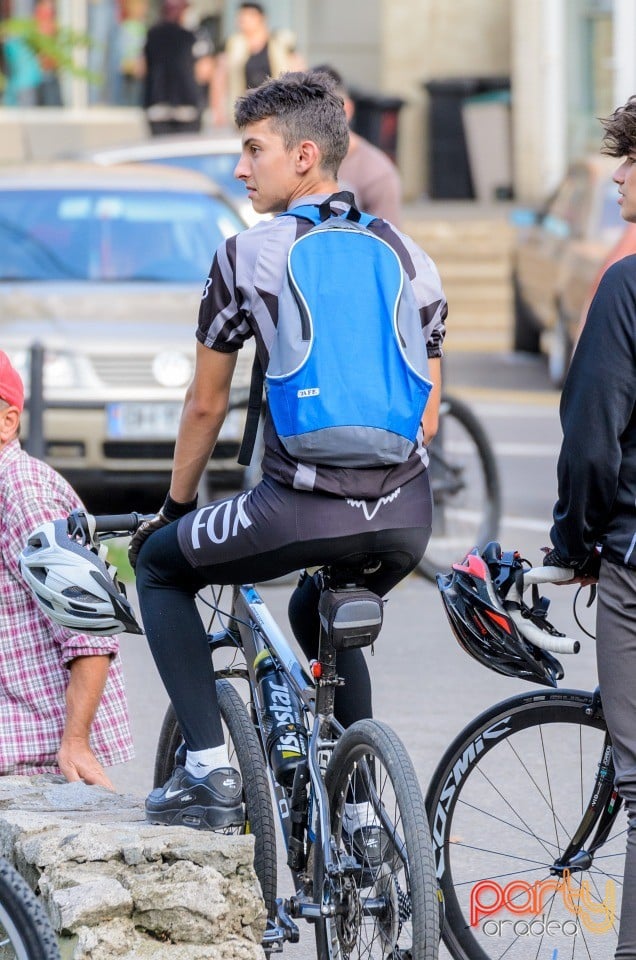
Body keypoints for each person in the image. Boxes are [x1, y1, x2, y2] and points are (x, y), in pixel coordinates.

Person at [129, 70, 446, 833]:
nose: (241, 168)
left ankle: (206, 771)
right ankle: (364, 807)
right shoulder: (411, 258)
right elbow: (427, 417)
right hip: (406, 514)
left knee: (160, 566)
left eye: (253, 150)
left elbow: (206, 403)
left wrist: (174, 508)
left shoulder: (246, 255)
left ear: (304, 156)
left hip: (297, 506)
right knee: (318, 602)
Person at [544, 94, 636, 959]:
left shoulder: (627, 283)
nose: (616, 174)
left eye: (631, 158)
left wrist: (577, 542)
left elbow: (591, 443)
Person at [0, 352, 134, 788]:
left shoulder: (24, 493)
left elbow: (88, 623)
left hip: (32, 760)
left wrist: (75, 742)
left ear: (7, 422)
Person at [312, 64, 403, 226]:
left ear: (347, 109)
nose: (315, 121)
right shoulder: (290, 164)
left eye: (326, 111)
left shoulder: (377, 174)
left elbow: (386, 244)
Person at [211, 2, 304, 127]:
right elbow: (219, 79)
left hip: (277, 111)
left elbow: (299, 71)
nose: (243, 21)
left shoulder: (280, 42)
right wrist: (218, 111)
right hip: (245, 112)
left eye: (249, 16)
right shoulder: (232, 45)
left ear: (261, 18)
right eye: (241, 17)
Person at [142, 0, 213, 136]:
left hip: (164, 107)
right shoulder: (195, 35)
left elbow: (142, 68)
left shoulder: (153, 34)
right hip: (182, 108)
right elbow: (204, 72)